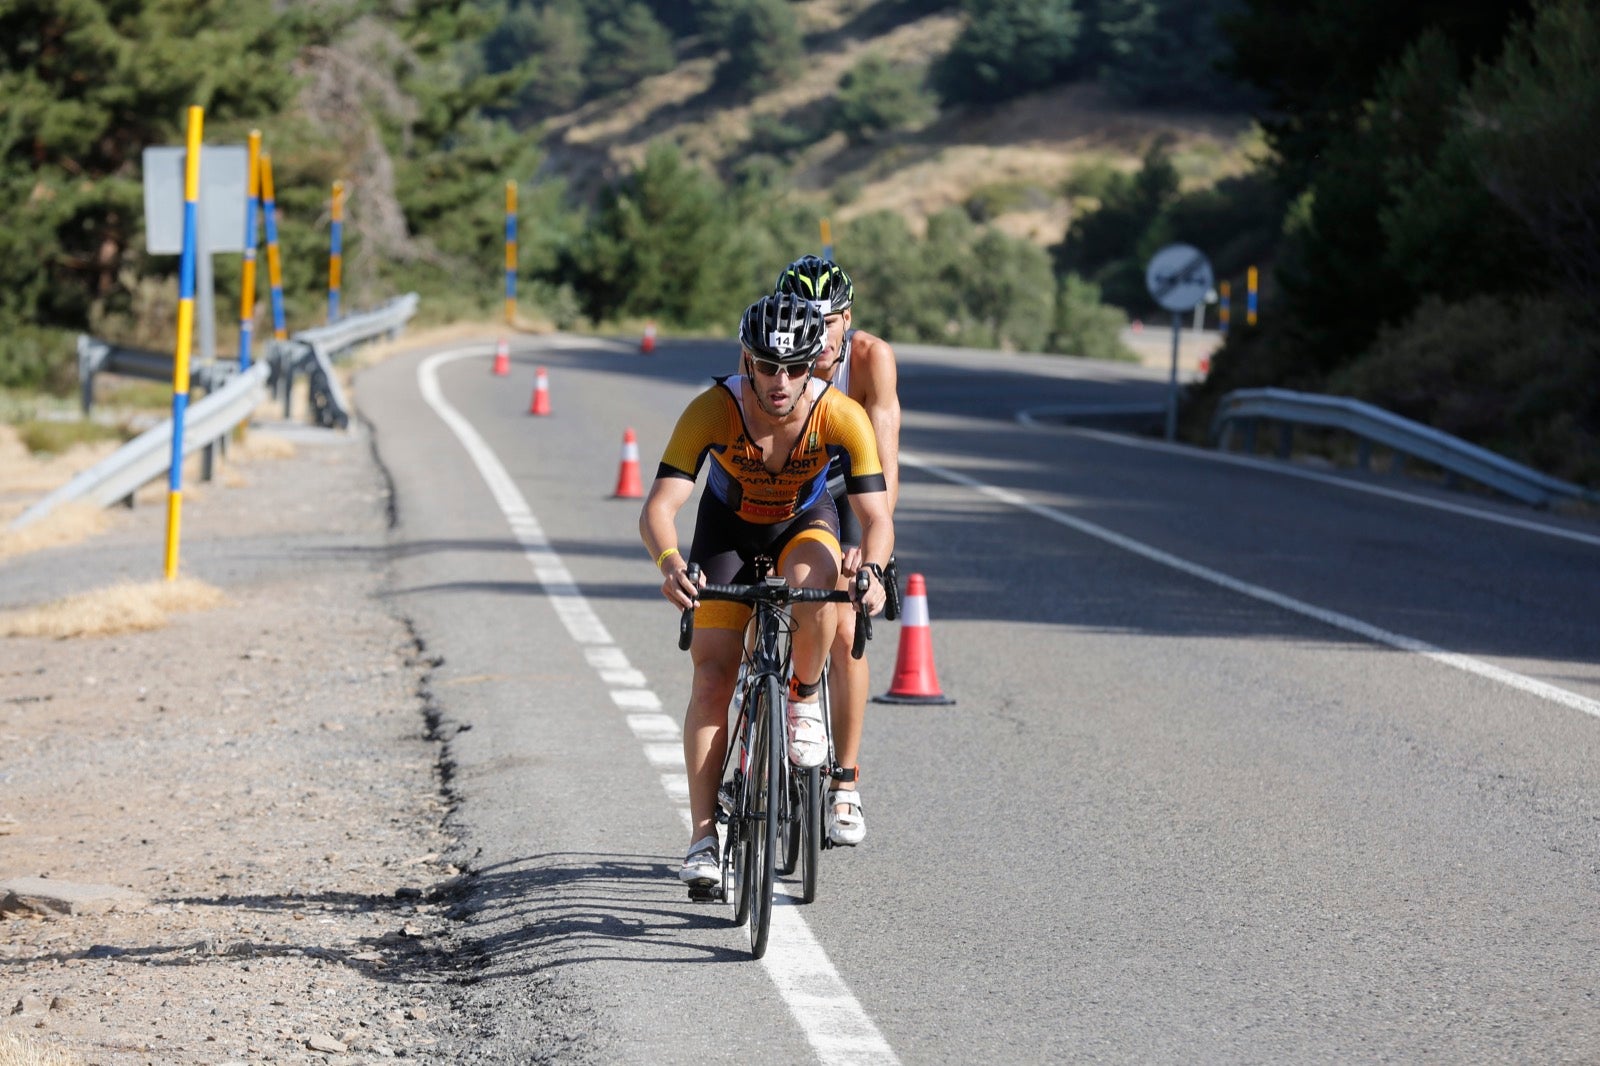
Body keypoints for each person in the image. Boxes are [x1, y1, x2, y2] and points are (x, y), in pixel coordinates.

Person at [640, 292, 894, 890]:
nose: (781, 383)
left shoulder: (840, 415)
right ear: (745, 360)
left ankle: (803, 700)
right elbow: (659, 507)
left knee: (822, 583)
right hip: (725, 530)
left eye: (796, 368)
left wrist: (875, 573)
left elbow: (876, 519)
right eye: (766, 366)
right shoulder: (712, 409)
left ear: (815, 365)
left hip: (803, 524)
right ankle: (704, 837)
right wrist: (670, 561)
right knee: (711, 678)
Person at [774, 254, 900, 847]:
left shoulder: (872, 360)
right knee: (761, 597)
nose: (815, 336)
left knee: (847, 625)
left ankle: (845, 783)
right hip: (785, 486)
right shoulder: (772, 351)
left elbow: (881, 461)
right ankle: (757, 735)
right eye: (803, 319)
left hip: (849, 484)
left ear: (846, 319)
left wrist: (868, 550)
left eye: (826, 323)